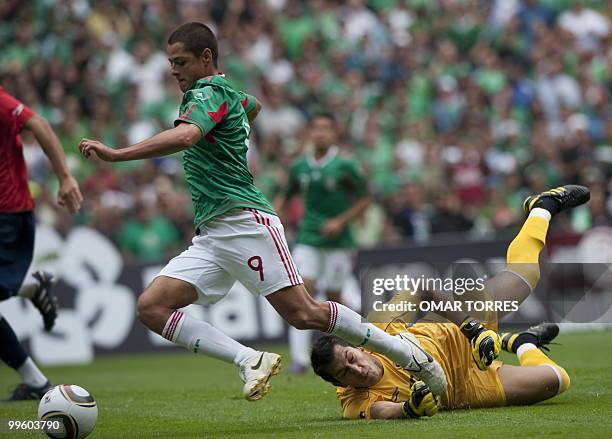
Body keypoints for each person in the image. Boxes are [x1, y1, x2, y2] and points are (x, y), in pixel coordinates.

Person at [79, 21, 447, 402]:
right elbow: (252, 105)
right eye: (171, 63)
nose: (174, 70)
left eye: (181, 61)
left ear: (206, 58)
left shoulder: (204, 92)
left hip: (243, 220)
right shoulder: (226, 93)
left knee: (305, 313)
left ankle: (411, 357)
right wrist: (233, 129)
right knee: (152, 307)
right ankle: (249, 359)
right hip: (212, 234)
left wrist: (118, 154)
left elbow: (188, 135)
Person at [310, 185, 589, 419]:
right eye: (345, 373)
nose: (357, 369)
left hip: (455, 334)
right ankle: (521, 342)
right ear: (341, 384)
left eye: (351, 359)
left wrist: (472, 329)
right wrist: (409, 409)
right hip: (465, 389)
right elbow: (384, 410)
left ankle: (542, 206)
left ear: (357, 346)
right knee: (557, 379)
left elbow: (423, 288)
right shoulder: (354, 402)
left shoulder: (378, 327)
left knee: (526, 274)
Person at [0, 87, 83, 401]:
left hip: (8, 212)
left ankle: (30, 288)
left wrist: (64, 176)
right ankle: (36, 383)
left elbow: (40, 125)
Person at [274, 112, 371, 373]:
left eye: (325, 129)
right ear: (309, 132)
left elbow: (364, 198)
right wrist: (274, 218)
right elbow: (286, 195)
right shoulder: (299, 167)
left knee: (333, 299)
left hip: (339, 241)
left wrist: (341, 220)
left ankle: (347, 349)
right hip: (308, 237)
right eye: (316, 128)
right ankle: (299, 359)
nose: (320, 133)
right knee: (303, 293)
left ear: (334, 134)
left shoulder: (345, 165)